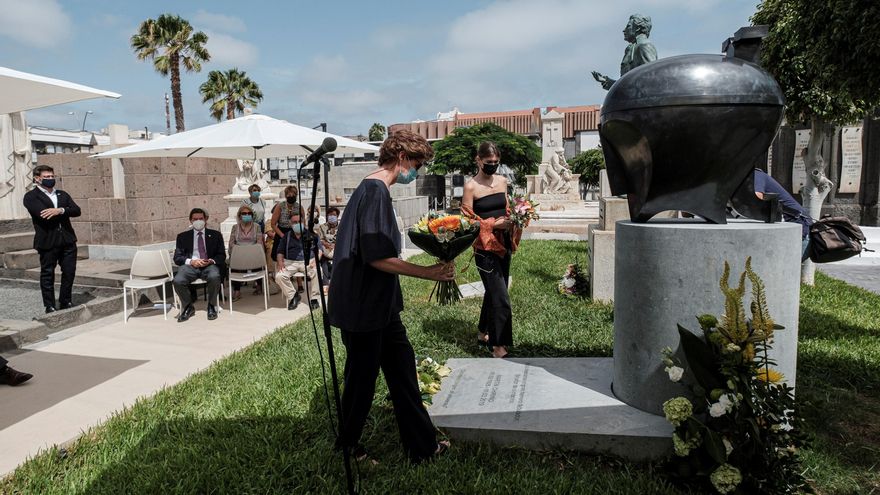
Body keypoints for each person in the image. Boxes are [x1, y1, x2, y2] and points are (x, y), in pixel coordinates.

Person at [328, 129, 453, 464]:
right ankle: (348, 447)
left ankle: (422, 448)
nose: (419, 171)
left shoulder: (371, 189)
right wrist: (430, 272)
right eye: (417, 163)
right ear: (401, 158)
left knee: (402, 376)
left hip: (380, 307)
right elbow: (375, 257)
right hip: (365, 308)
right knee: (361, 382)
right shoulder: (375, 191)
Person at [462, 141, 521, 359]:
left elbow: (507, 208)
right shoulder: (471, 187)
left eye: (496, 162)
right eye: (489, 162)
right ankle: (499, 346)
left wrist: (517, 216)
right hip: (484, 248)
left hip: (503, 244)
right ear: (478, 160)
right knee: (501, 296)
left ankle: (482, 332)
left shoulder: (503, 182)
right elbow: (467, 222)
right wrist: (493, 224)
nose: (493, 166)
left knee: (495, 291)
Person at [22, 165, 82, 313]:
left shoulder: (62, 194)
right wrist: (65, 211)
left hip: (68, 240)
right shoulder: (31, 196)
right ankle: (49, 305)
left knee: (69, 272)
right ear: (37, 179)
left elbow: (77, 210)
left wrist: (59, 210)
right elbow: (42, 214)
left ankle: (65, 300)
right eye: (46, 177)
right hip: (48, 241)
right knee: (47, 274)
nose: (50, 179)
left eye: (52, 176)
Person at [173, 208, 226, 322]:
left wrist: (210, 261)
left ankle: (212, 305)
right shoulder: (182, 237)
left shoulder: (216, 235)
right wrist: (191, 261)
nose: (198, 221)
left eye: (200, 218)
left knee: (214, 276)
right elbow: (177, 258)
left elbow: (221, 255)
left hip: (208, 265)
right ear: (190, 221)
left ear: (205, 219)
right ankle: (188, 307)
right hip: (190, 266)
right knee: (178, 280)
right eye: (195, 219)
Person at [753, 168, 813, 261]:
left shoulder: (756, 175)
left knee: (783, 271)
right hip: (789, 232)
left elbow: (756, 198)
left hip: (800, 229)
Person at [592, 13, 658, 90]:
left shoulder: (644, 46)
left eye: (628, 26)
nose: (624, 30)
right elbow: (628, 85)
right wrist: (607, 81)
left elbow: (651, 79)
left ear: (637, 28)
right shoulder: (633, 47)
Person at [275, 219, 321, 310]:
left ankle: (314, 299)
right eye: (294, 222)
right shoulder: (287, 236)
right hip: (290, 262)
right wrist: (280, 262)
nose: (297, 224)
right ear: (290, 224)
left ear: (303, 222)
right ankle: (293, 296)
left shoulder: (311, 234)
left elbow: (319, 250)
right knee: (279, 276)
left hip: (308, 261)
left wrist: (316, 260)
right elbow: (280, 251)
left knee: (318, 271)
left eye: (299, 221)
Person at [228, 204, 265, 301]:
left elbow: (259, 242)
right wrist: (239, 252)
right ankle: (237, 291)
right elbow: (231, 243)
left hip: (253, 253)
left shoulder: (257, 226)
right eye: (244, 213)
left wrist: (250, 251)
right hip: (239, 254)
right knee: (235, 263)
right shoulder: (235, 227)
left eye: (249, 213)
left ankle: (259, 286)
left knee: (257, 259)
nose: (247, 215)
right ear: (240, 215)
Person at [270, 185, 306, 261]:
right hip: (282, 232)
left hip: (295, 232)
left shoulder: (299, 207)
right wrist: (282, 235)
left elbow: (303, 221)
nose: (291, 196)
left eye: (293, 195)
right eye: (289, 195)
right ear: (286, 196)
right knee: (279, 255)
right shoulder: (280, 206)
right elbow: (273, 224)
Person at [317, 206, 340, 285]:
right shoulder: (322, 227)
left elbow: (344, 238)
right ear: (327, 216)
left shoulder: (342, 227)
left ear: (337, 216)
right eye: (330, 215)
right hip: (326, 249)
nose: (331, 217)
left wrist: (335, 245)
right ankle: (325, 283)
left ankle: (337, 280)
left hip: (338, 249)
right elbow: (320, 239)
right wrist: (325, 244)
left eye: (334, 215)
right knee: (323, 257)